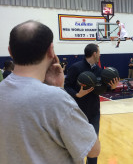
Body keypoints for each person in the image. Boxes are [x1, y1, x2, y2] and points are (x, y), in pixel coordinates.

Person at [0, 20, 100, 164]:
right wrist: (60, 90)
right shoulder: (57, 99)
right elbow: (93, 149)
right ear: (51, 51)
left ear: (10, 51)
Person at [64, 43, 119, 164]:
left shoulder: (99, 70)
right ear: (94, 53)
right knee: (76, 146)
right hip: (77, 113)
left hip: (94, 112)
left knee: (93, 144)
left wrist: (112, 88)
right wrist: (77, 94)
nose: (100, 55)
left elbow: (102, 88)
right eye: (99, 52)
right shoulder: (76, 68)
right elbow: (66, 86)